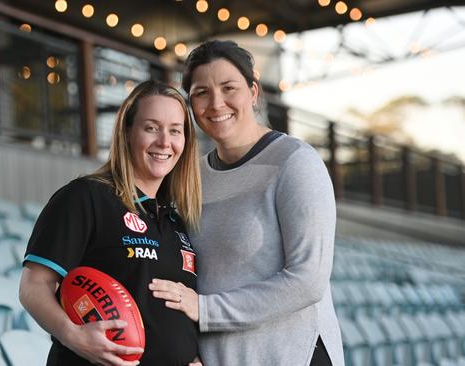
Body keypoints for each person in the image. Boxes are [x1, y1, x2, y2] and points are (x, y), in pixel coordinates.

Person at [149, 40, 344, 366]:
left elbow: (308, 281)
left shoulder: (295, 162)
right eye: (201, 93)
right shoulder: (192, 176)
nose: (216, 103)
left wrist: (206, 310)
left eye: (229, 88)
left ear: (253, 92)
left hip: (290, 356)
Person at [19, 80, 203, 366]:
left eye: (175, 131)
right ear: (127, 131)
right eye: (151, 128)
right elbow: (33, 286)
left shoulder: (175, 220)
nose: (164, 142)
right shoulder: (86, 197)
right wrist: (74, 335)